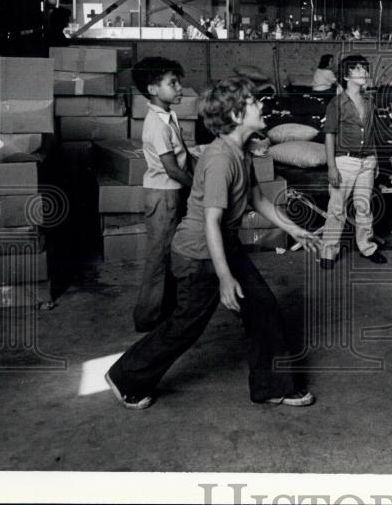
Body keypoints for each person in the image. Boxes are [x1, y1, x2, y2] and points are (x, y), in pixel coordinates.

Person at [105, 76, 322, 410]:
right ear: (236, 116)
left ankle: (271, 387)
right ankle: (125, 377)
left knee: (263, 308)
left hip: (223, 246)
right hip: (198, 254)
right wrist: (224, 277)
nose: (261, 104)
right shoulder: (221, 158)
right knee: (184, 327)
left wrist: (295, 230)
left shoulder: (242, 151)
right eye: (253, 101)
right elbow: (211, 222)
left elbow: (257, 199)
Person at [130, 57, 193, 332]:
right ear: (153, 89)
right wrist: (198, 187)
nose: (179, 88)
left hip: (171, 194)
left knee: (169, 254)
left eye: (178, 82)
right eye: (173, 83)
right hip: (163, 196)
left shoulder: (167, 116)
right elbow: (172, 169)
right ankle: (146, 318)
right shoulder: (157, 123)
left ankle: (164, 310)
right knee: (158, 259)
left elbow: (183, 156)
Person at [319, 55, 388, 269]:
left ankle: (367, 247)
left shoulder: (369, 102)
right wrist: (332, 167)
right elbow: (329, 135)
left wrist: (374, 160)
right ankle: (328, 252)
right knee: (337, 209)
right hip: (344, 162)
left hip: (367, 161)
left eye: (365, 69)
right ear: (347, 76)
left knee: (363, 206)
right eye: (359, 69)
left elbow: (371, 134)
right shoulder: (336, 103)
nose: (365, 73)